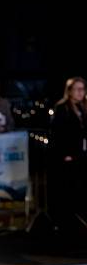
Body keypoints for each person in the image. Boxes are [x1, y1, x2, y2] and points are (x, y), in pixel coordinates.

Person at [49, 76, 87, 231]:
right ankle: (65, 224)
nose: (80, 92)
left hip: (81, 154)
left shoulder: (83, 107)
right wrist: (64, 153)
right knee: (68, 189)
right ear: (69, 91)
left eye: (82, 89)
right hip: (67, 155)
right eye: (76, 89)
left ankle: (77, 222)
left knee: (79, 188)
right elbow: (57, 133)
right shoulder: (62, 108)